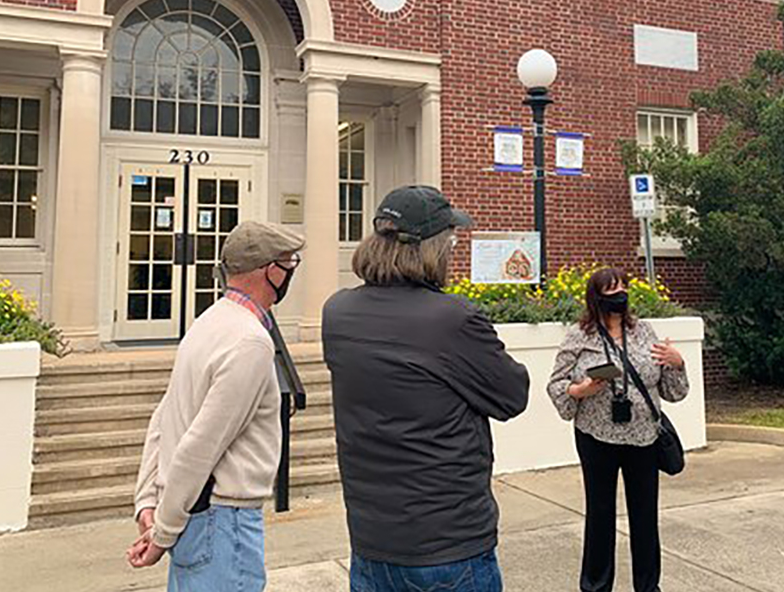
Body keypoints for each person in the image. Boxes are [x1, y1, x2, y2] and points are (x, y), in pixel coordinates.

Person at [322, 185, 530, 592]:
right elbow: (512, 395)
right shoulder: (450, 319)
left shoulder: (338, 311)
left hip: (371, 540)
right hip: (448, 545)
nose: (454, 249)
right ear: (433, 247)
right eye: (450, 239)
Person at [128, 221, 306, 591]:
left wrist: (149, 501)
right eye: (289, 264)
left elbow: (164, 417)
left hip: (194, 515)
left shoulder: (206, 322)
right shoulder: (251, 342)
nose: (290, 273)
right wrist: (162, 532)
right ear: (269, 271)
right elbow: (202, 445)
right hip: (224, 523)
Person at [547, 267, 689, 592]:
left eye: (623, 288)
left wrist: (677, 362)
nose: (620, 296)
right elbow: (556, 383)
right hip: (596, 438)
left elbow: (672, 391)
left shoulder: (645, 332)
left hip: (643, 437)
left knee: (644, 516)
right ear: (596, 298)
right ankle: (596, 586)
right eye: (612, 291)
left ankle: (648, 586)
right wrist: (580, 390)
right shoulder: (579, 337)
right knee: (600, 514)